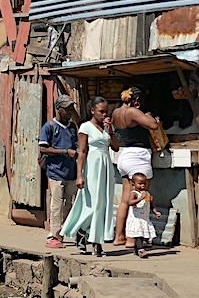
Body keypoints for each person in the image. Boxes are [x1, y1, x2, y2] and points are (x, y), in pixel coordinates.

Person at [61, 97, 117, 257]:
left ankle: (97, 243)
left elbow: (115, 146)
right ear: (93, 110)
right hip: (91, 168)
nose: (104, 114)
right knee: (92, 205)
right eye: (101, 111)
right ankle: (82, 230)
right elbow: (82, 152)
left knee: (103, 205)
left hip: (106, 167)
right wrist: (79, 175)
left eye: (106, 111)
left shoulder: (106, 128)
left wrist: (111, 130)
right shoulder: (85, 127)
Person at [112, 86, 160, 245]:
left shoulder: (116, 112)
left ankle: (119, 236)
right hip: (138, 157)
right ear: (136, 100)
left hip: (125, 156)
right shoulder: (132, 111)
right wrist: (148, 116)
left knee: (126, 199)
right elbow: (153, 125)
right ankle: (132, 238)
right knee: (140, 198)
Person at [39, 97, 79, 248]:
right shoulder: (49, 127)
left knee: (68, 203)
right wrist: (64, 152)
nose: (70, 112)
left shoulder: (72, 127)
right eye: (67, 109)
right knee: (56, 204)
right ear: (59, 109)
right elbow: (43, 148)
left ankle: (61, 230)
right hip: (55, 171)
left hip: (71, 172)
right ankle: (53, 236)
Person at [124, 172, 155, 258]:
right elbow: (130, 202)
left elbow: (151, 203)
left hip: (144, 218)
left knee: (142, 234)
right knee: (138, 235)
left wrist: (155, 211)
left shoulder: (147, 193)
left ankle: (136, 250)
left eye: (144, 184)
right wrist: (140, 198)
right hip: (136, 218)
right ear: (133, 184)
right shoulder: (134, 193)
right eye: (140, 184)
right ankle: (140, 250)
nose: (142, 186)